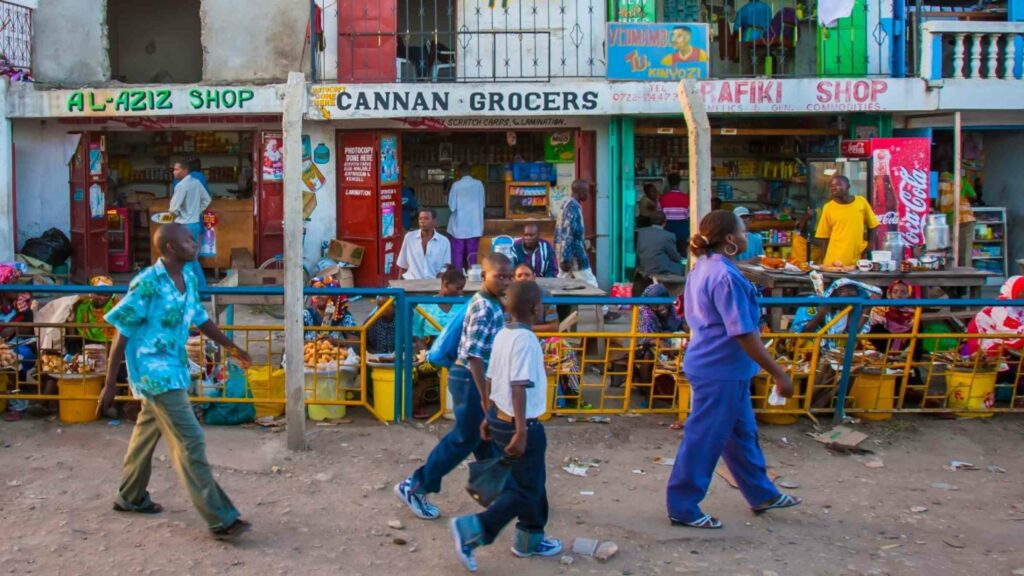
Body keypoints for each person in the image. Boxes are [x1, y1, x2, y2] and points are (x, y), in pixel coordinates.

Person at [98, 223, 253, 540]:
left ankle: (130, 496)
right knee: (190, 438)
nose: (193, 243)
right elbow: (121, 331)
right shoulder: (147, 284)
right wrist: (110, 382)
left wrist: (232, 347)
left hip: (175, 368)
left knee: (146, 433)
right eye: (186, 239)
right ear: (169, 248)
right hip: (154, 374)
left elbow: (200, 319)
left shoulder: (190, 279)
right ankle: (221, 517)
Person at [666, 210, 800, 529]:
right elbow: (742, 332)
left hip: (722, 366)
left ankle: (760, 493)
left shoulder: (706, 269)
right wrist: (778, 373)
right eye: (742, 230)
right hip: (720, 368)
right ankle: (682, 504)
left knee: (741, 434)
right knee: (705, 438)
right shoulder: (724, 275)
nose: (746, 235)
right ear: (729, 239)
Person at [450, 280, 562, 571]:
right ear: (535, 308)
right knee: (524, 488)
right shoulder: (525, 340)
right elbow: (518, 385)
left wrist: (488, 415)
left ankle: (530, 537)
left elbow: (490, 378)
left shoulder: (502, 335)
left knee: (532, 480)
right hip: (519, 424)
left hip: (499, 418)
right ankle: (475, 529)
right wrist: (523, 430)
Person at [396, 253, 512, 520]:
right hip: (470, 377)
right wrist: (485, 398)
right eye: (499, 276)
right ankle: (415, 485)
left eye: (509, 276)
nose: (505, 281)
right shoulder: (484, 306)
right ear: (484, 277)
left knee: (484, 439)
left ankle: (503, 491)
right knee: (464, 438)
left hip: (475, 378)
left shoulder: (493, 303)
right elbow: (474, 356)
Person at [556, 180, 616, 321]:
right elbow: (567, 233)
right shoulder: (572, 207)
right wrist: (566, 257)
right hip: (574, 254)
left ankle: (553, 312)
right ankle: (604, 312)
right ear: (580, 192)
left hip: (568, 253)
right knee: (590, 282)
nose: (589, 195)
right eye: (587, 191)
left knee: (560, 285)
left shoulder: (568, 204)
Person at [814, 175, 878, 267]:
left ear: (848, 186)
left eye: (838, 185)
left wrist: (870, 245)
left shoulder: (861, 202)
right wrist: (825, 263)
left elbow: (873, 225)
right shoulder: (828, 207)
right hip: (834, 262)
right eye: (831, 186)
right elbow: (823, 236)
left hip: (856, 261)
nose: (834, 188)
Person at [169, 160, 212, 290]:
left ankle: (195, 289)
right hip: (194, 224)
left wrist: (178, 214)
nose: (174, 172)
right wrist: (197, 211)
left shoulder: (181, 186)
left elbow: (173, 208)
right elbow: (207, 200)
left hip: (183, 226)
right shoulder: (196, 183)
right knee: (190, 258)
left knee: (186, 259)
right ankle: (199, 289)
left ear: (185, 171)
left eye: (176, 169)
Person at [965, 275, 1024, 357]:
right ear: (1013, 291)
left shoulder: (1019, 307)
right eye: (1023, 292)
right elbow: (1009, 331)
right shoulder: (998, 307)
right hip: (984, 347)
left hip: (1004, 346)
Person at [413, 267, 468, 351]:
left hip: (456, 350)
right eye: (458, 288)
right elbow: (415, 332)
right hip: (429, 349)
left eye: (462, 289)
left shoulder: (463, 306)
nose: (460, 292)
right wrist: (425, 354)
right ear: (446, 284)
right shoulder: (425, 305)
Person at [447, 162, 485, 272]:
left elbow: (452, 207)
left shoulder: (456, 185)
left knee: (457, 254)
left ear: (460, 172)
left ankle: (457, 274)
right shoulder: (479, 184)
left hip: (459, 226)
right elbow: (482, 204)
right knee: (472, 255)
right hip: (475, 226)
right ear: (470, 171)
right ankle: (472, 274)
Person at [397, 208, 452, 280]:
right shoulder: (409, 238)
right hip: (411, 282)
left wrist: (436, 285)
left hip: (433, 283)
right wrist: (398, 286)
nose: (422, 221)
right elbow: (402, 264)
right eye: (420, 219)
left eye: (426, 218)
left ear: (434, 221)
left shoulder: (444, 242)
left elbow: (445, 268)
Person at [303, 276, 357, 343]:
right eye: (315, 291)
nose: (318, 295)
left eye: (323, 291)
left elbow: (356, 342)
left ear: (333, 295)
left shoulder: (343, 316)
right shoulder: (305, 315)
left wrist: (335, 342)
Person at [868, 280, 916, 354]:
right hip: (881, 347)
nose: (899, 295)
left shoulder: (912, 313)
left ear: (908, 294)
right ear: (889, 294)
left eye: (903, 292)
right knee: (877, 328)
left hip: (905, 348)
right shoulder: (879, 310)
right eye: (895, 292)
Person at [636, 211, 684, 277]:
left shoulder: (642, 232)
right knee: (682, 267)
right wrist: (682, 259)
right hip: (661, 269)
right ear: (665, 222)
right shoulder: (668, 235)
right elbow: (674, 257)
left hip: (645, 267)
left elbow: (638, 251)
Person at [513, 263, 559, 333]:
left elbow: (554, 327)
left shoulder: (545, 294)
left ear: (534, 277)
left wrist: (525, 327)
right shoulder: (509, 296)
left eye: (527, 275)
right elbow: (506, 325)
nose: (523, 278)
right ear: (514, 279)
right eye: (519, 276)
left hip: (541, 339)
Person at [659, 173, 690, 251]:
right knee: (682, 254)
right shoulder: (686, 198)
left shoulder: (662, 198)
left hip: (667, 229)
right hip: (683, 230)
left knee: (669, 253)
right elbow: (689, 215)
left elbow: (659, 216)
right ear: (679, 183)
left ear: (668, 183)